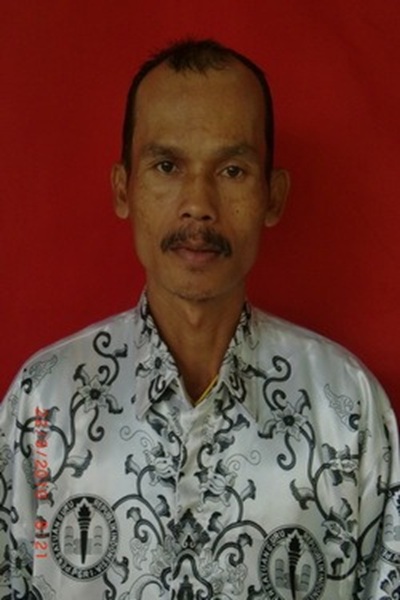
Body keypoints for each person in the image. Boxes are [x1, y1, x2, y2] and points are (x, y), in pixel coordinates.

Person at [0, 38, 398, 600]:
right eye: (167, 166)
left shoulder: (348, 409)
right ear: (124, 189)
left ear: (273, 196)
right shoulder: (42, 405)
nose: (198, 205)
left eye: (232, 170)